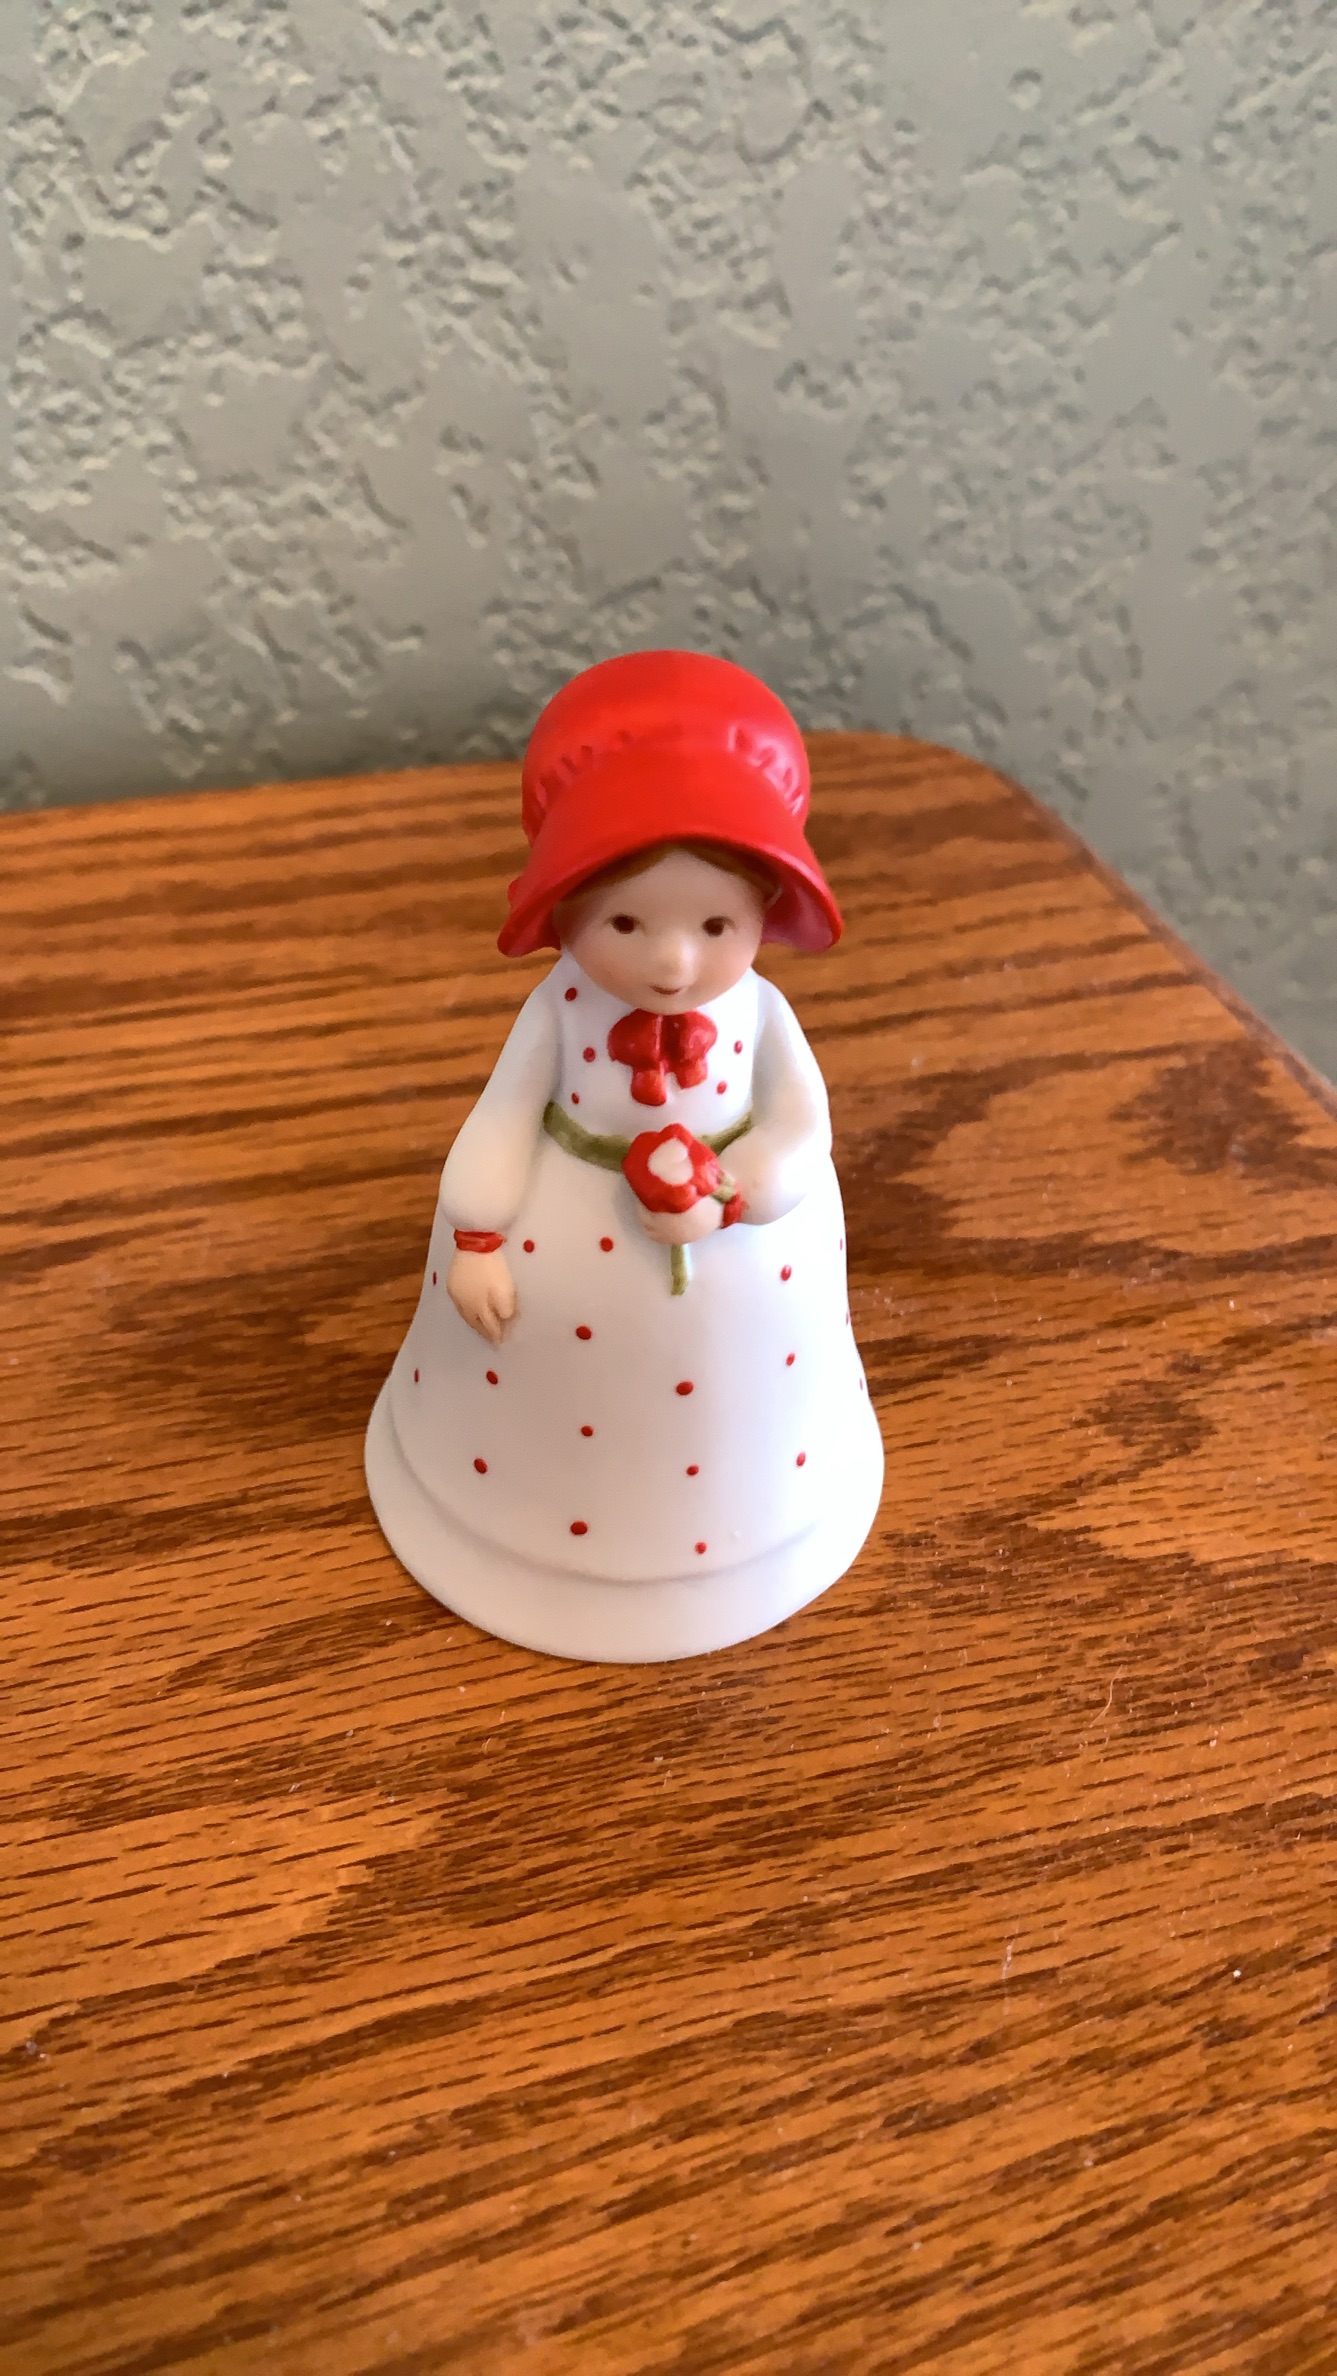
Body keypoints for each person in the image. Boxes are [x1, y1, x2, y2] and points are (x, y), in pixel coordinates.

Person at [365, 650, 884, 1661]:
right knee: (552, 1402)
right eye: (627, 921)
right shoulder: (559, 1010)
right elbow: (501, 1118)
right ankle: (513, 1534)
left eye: (714, 923)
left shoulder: (759, 1014)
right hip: (556, 1257)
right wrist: (476, 1237)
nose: (672, 960)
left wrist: (739, 1190)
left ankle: (751, 1533)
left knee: (736, 1402)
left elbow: (800, 1125)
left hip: (752, 1259)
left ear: (763, 912)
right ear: (565, 909)